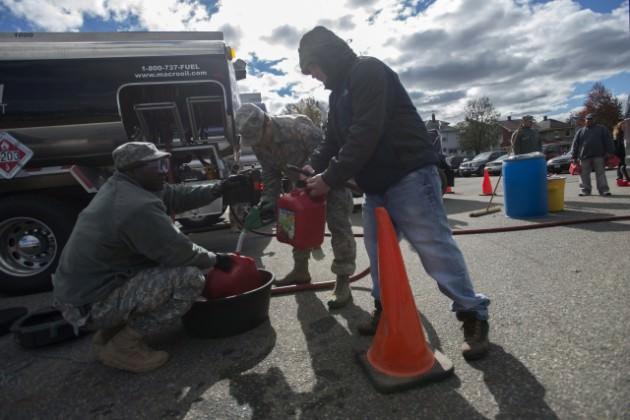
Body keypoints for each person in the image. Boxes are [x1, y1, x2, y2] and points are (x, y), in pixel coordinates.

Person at [297, 26, 490, 360]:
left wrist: (329, 178)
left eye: (311, 66)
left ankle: (473, 313)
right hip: (377, 187)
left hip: (409, 174)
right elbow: (332, 141)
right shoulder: (337, 95)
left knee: (434, 249)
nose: (312, 75)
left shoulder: (367, 71)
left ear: (325, 56)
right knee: (379, 254)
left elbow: (365, 132)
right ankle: (385, 310)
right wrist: (312, 165)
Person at [53, 141, 250, 373]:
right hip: (90, 305)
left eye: (164, 163)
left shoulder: (126, 185)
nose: (164, 170)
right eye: (157, 165)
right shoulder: (135, 206)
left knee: (158, 268)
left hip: (85, 293)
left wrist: (219, 188)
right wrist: (217, 259)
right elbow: (180, 253)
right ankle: (124, 346)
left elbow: (175, 195)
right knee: (190, 278)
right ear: (134, 169)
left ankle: (109, 335)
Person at [235, 103, 356, 309]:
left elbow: (329, 150)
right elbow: (270, 173)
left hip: (330, 182)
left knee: (339, 227)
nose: (258, 144)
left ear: (267, 123)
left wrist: (320, 176)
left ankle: (343, 280)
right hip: (299, 188)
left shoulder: (297, 127)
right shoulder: (258, 141)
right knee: (295, 228)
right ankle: (301, 270)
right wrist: (267, 201)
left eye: (259, 138)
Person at [570, 114, 614, 196]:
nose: (589, 120)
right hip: (584, 156)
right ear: (585, 120)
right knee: (583, 174)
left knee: (600, 173)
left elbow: (608, 140)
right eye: (587, 119)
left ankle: (604, 190)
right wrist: (574, 156)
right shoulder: (580, 131)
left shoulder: (602, 129)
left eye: (591, 119)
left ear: (594, 120)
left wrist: (610, 152)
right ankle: (585, 190)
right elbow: (575, 144)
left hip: (599, 155)